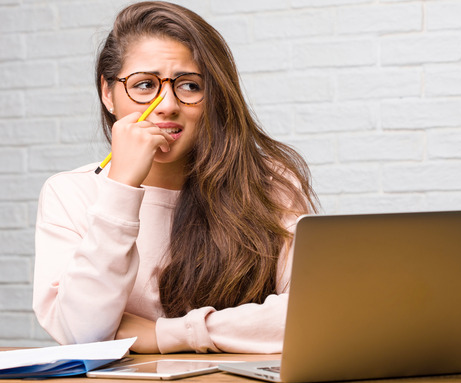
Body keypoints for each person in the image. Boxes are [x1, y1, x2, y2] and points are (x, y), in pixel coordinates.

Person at [33, 1, 317, 356]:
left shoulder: (271, 184)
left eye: (189, 86)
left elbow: (312, 314)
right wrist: (121, 187)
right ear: (108, 93)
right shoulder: (70, 193)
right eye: (144, 85)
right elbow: (82, 335)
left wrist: (164, 335)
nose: (166, 104)